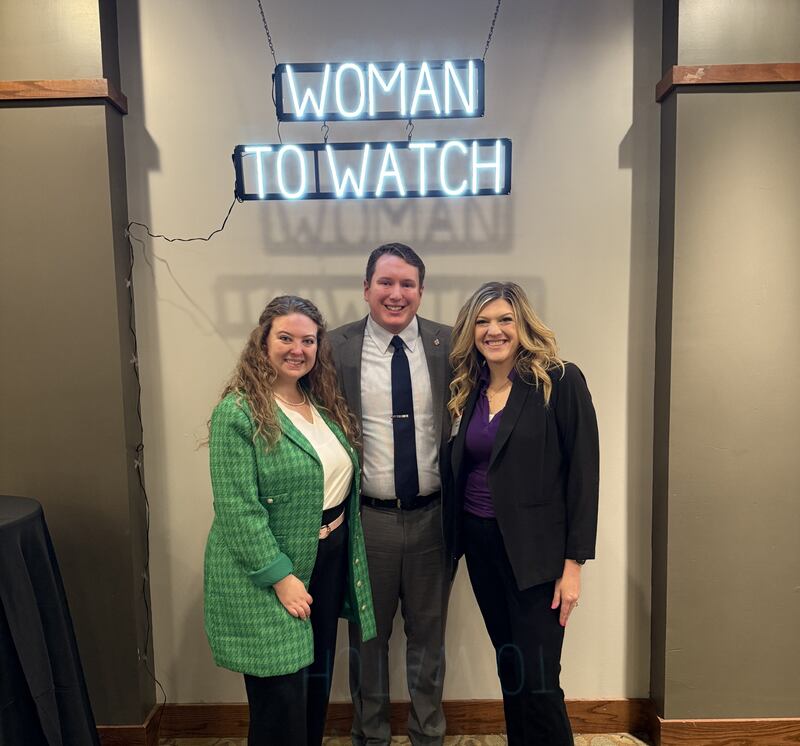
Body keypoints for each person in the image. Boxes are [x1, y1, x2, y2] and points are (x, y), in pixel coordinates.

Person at [203, 295, 376, 746]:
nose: (297, 349)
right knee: (281, 702)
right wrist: (281, 577)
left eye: (308, 340)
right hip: (271, 572)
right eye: (285, 338)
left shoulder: (320, 403)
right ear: (263, 341)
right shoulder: (238, 412)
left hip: (327, 561)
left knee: (315, 688)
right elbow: (238, 509)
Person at [448, 281, 599, 746]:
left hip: (537, 556)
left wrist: (573, 565)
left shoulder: (559, 380)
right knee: (511, 667)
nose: (493, 331)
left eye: (504, 320)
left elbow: (584, 475)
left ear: (523, 324)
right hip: (481, 545)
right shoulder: (470, 388)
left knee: (539, 680)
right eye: (482, 322)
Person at [328, 243, 453, 746]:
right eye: (385, 282)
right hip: (368, 520)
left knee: (429, 640)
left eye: (407, 284)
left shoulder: (452, 345)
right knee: (367, 640)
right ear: (366, 289)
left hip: (434, 519)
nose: (395, 293)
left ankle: (428, 735)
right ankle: (370, 736)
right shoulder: (335, 348)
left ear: (421, 291)